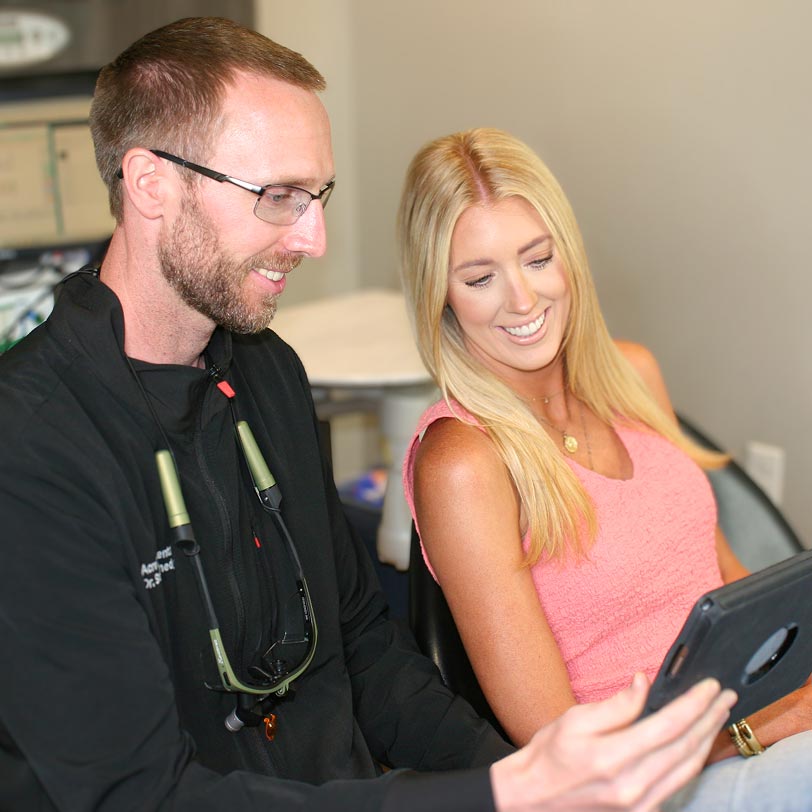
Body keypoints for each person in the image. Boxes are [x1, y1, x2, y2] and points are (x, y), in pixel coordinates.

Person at [0, 19, 735, 812]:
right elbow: (140, 797)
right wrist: (499, 796)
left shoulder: (267, 374)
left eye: (316, 197)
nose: (312, 239)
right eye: (278, 197)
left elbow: (367, 651)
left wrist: (546, 782)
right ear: (151, 184)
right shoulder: (32, 447)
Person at [398, 127, 812, 809]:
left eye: (537, 259)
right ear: (439, 295)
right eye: (479, 278)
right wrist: (762, 726)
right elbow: (565, 748)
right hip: (652, 782)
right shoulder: (463, 464)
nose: (524, 301)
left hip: (758, 726)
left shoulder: (632, 375)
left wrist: (790, 697)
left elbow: (735, 595)